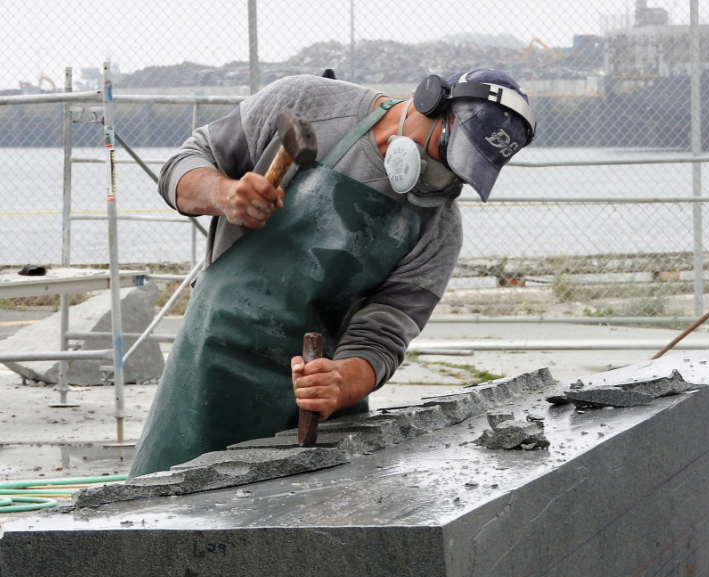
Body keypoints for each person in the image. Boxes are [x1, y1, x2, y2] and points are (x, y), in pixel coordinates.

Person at [128, 67, 536, 478]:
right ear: (430, 101)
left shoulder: (439, 229)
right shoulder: (312, 103)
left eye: (461, 171)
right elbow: (181, 167)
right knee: (160, 505)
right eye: (445, 152)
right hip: (208, 360)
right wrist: (223, 194)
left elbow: (383, 335)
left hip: (311, 392)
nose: (443, 177)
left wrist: (342, 383)